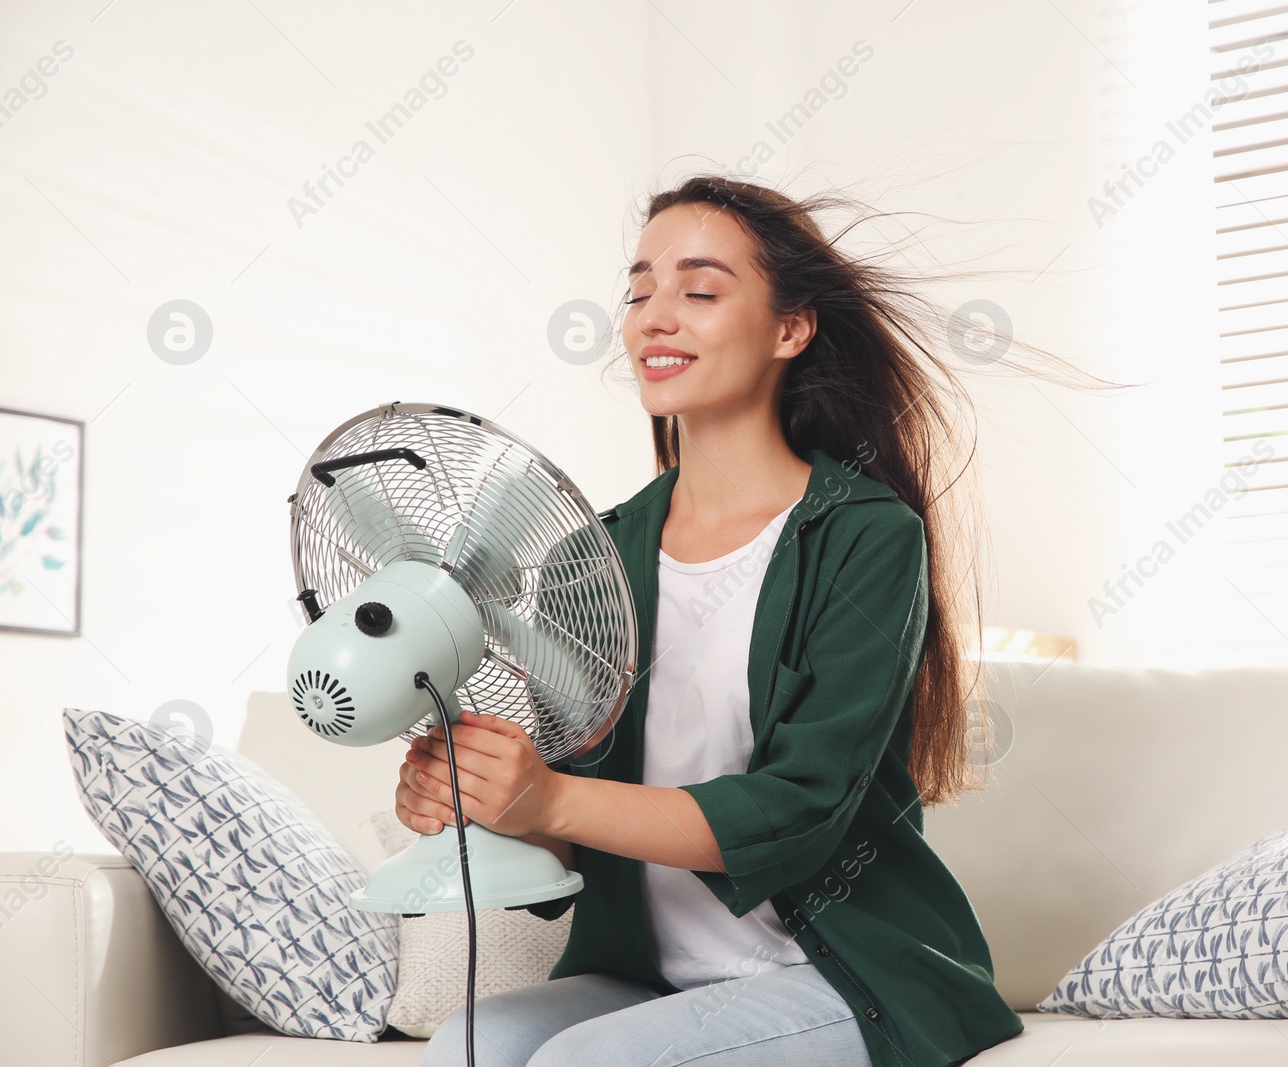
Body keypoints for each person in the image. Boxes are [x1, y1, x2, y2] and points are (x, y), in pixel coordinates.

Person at [401, 174, 1128, 1066]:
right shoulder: (590, 557)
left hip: (838, 970)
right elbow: (583, 813)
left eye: (699, 291)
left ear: (792, 328)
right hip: (648, 972)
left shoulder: (866, 536)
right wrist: (490, 800)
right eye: (638, 292)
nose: (652, 317)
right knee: (459, 1051)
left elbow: (801, 808)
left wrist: (551, 794)